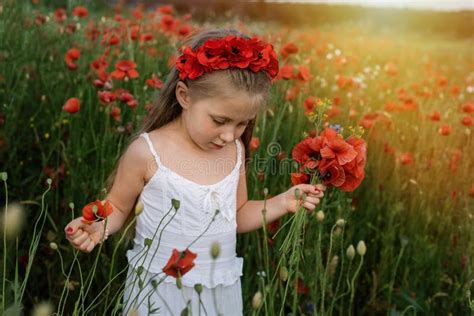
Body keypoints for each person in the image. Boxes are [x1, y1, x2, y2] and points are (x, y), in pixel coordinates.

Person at [64, 28, 326, 315]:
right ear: (184, 96)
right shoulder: (147, 152)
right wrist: (97, 225)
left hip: (217, 291)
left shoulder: (235, 151)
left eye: (241, 124)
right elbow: (117, 206)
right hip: (157, 289)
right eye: (219, 120)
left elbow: (236, 215)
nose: (229, 135)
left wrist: (282, 202)